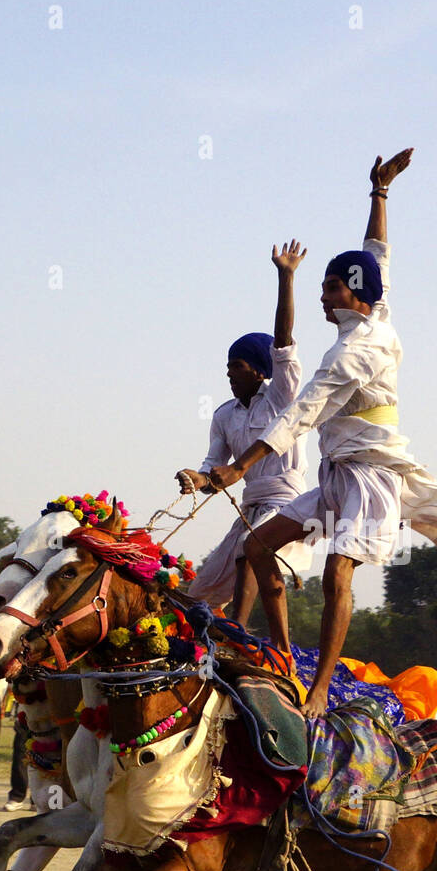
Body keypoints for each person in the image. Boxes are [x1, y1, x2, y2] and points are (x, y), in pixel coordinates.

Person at [207, 150, 437, 715]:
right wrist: (379, 193)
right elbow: (377, 258)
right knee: (255, 547)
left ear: (352, 294)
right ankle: (278, 655)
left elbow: (301, 414)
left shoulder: (354, 351)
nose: (323, 296)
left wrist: (238, 468)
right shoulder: (377, 313)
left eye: (329, 288)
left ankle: (319, 688)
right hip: (333, 476)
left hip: (370, 480)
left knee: (335, 573)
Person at [175, 242, 311, 624]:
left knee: (251, 550)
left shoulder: (281, 397)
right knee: (197, 593)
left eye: (236, 365)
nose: (229, 373)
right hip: (252, 505)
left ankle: (236, 631)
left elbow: (283, 342)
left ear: (258, 370)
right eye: (228, 366)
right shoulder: (223, 416)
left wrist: (286, 277)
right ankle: (205, 635)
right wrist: (195, 478)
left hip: (289, 506)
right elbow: (212, 474)